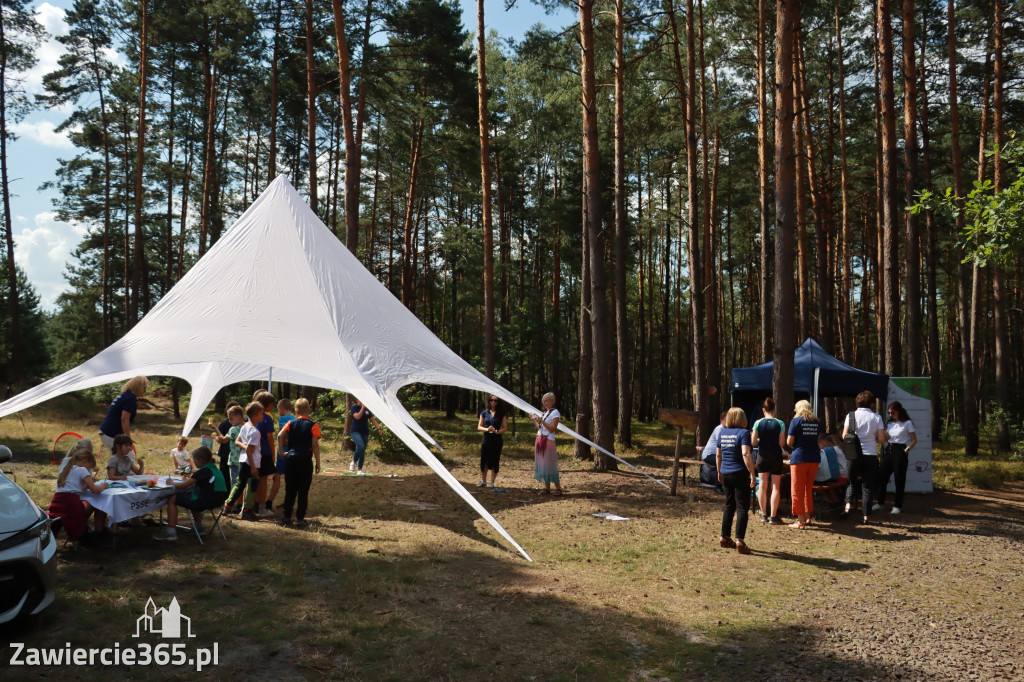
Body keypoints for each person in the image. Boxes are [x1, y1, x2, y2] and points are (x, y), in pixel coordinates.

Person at [153, 447, 229, 541]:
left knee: (172, 498)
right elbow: (205, 483)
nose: (194, 463)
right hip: (218, 502)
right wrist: (191, 480)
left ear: (199, 460)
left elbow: (183, 486)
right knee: (194, 496)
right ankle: (198, 527)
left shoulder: (202, 471)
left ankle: (171, 531)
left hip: (205, 503)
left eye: (194, 460)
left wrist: (171, 483)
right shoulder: (216, 469)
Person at [841, 390, 888, 524]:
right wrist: (873, 439)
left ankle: (848, 505)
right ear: (871, 404)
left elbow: (844, 436)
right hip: (870, 455)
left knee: (851, 481)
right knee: (867, 486)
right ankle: (866, 516)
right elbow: (881, 439)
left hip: (853, 455)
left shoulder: (851, 416)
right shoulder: (876, 418)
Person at [47, 449, 110, 545]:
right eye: (90, 467)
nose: (89, 471)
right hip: (70, 506)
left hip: (56, 505)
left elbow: (74, 487)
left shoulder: (66, 469)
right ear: (85, 461)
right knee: (96, 502)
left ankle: (84, 528)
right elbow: (95, 490)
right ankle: (96, 531)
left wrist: (87, 484)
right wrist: (104, 485)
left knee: (85, 503)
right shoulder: (82, 470)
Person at [716, 407, 756, 555]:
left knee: (729, 505)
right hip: (739, 473)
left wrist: (719, 471)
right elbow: (746, 453)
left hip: (726, 473)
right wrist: (752, 473)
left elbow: (718, 455)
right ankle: (740, 540)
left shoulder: (722, 432)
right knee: (742, 508)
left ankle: (724, 537)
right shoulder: (744, 433)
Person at [276, 398, 321, 526]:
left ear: (296, 412)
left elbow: (280, 436)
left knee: (290, 490)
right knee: (303, 491)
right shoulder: (314, 425)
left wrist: (281, 452)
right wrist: (318, 462)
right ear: (309, 410)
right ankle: (300, 519)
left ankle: (286, 517)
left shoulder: (290, 423)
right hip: (305, 460)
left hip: (291, 459)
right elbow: (315, 445)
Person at [225, 401, 264, 521]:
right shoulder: (255, 432)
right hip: (251, 463)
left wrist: (245, 446)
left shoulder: (245, 426)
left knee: (239, 484)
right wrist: (253, 467)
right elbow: (249, 451)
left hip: (242, 461)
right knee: (252, 486)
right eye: (262, 414)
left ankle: (228, 506)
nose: (263, 416)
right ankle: (247, 510)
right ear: (256, 415)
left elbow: (237, 442)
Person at [786, 400, 821, 529]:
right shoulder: (816, 422)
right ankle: (808, 516)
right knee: (808, 488)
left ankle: (800, 521)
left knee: (797, 489)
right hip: (814, 458)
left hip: (799, 458)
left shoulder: (796, 421)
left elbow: (789, 441)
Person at [751, 398, 786, 525]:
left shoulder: (758, 423)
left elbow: (753, 442)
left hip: (762, 456)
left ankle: (763, 514)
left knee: (763, 485)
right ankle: (773, 516)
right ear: (775, 409)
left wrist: (761, 439)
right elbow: (781, 443)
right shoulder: (780, 423)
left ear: (763, 410)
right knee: (775, 486)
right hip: (776, 455)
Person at [878, 401, 917, 515]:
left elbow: (914, 440)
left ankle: (897, 505)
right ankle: (880, 503)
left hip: (900, 451)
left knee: (899, 479)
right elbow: (887, 437)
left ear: (899, 411)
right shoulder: (889, 423)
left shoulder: (907, 423)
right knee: (882, 477)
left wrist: (907, 449)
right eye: (889, 413)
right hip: (888, 450)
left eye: (893, 412)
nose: (891, 415)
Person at [98, 376, 148, 451]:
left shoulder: (124, 395)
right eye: (144, 388)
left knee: (121, 459)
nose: (145, 390)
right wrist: (127, 439)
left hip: (106, 431)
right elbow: (124, 419)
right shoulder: (130, 399)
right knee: (127, 458)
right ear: (137, 387)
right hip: (111, 433)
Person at [530, 392, 563, 496]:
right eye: (543, 401)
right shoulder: (545, 413)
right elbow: (541, 428)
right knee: (543, 465)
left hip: (548, 441)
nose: (544, 403)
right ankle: (547, 488)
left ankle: (558, 488)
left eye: (546, 401)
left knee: (550, 465)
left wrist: (541, 420)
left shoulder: (555, 413)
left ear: (552, 401)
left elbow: (552, 429)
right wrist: (534, 421)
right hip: (540, 438)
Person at [267, 398, 295, 512]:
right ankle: (288, 502)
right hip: (293, 452)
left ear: (282, 408)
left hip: (283, 452)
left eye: (278, 409)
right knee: (290, 478)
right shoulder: (295, 419)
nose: (278, 412)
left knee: (276, 477)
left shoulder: (283, 419)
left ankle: (269, 502)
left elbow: (282, 436)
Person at [253, 392, 277, 516]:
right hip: (265, 453)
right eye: (271, 405)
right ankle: (262, 508)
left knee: (253, 480)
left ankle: (253, 505)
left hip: (252, 453)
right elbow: (270, 438)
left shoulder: (250, 417)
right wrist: (273, 453)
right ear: (267, 405)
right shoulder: (266, 418)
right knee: (263, 481)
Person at [476, 395, 508, 488]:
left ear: (498, 402)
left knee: (495, 460)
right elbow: (479, 426)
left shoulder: (501, 413)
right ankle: (483, 481)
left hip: (497, 439)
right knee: (484, 459)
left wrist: (496, 431)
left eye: (495, 401)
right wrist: (487, 429)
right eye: (491, 400)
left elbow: (505, 428)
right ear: (489, 401)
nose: (493, 402)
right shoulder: (484, 413)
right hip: (486, 439)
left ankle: (492, 482)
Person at [209, 401, 241, 486]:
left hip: (228, 455)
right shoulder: (246, 425)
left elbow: (222, 440)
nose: (230, 421)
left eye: (230, 418)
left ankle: (228, 496)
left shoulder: (228, 426)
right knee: (241, 481)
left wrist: (215, 434)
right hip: (242, 457)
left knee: (228, 479)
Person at [349, 397, 381, 475]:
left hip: (365, 432)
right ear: (357, 400)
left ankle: (359, 470)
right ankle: (353, 461)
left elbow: (373, 419)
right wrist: (362, 408)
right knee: (361, 446)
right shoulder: (354, 407)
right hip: (355, 431)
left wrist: (378, 428)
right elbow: (357, 417)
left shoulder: (367, 410)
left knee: (362, 451)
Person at [698, 412, 728, 494]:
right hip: (708, 455)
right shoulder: (720, 429)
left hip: (717, 454)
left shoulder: (727, 430)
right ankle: (718, 487)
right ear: (722, 420)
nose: (729, 421)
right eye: (727, 420)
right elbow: (722, 444)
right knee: (720, 462)